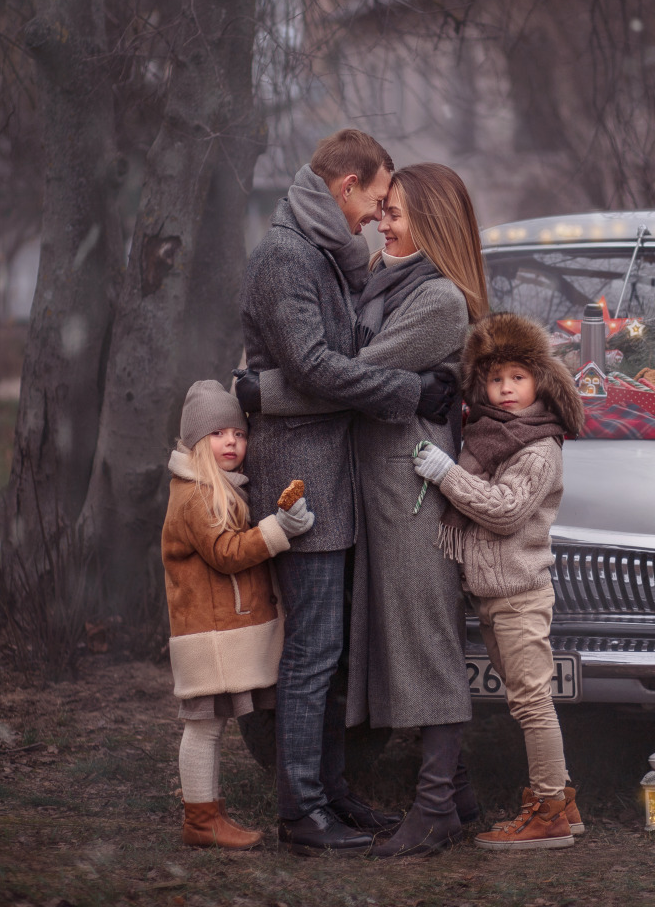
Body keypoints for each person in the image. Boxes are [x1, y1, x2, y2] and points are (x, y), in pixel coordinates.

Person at [251, 163, 488, 857]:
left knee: (425, 644)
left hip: (411, 492)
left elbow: (347, 383)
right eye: (381, 210)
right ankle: (461, 793)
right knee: (399, 645)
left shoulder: (438, 300)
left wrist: (260, 393)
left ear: (434, 224)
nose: (381, 224)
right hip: (377, 491)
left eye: (397, 214)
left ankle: (436, 809)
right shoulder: (385, 283)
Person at [411, 312, 589, 851]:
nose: (506, 389)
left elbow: (506, 511)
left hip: (519, 595)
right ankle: (563, 800)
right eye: (495, 378)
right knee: (523, 699)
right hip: (493, 595)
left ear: (541, 380)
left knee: (533, 702)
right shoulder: (489, 435)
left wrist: (444, 473)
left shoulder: (538, 447)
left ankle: (549, 810)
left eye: (518, 376)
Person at [160, 379, 312, 850]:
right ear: (196, 442)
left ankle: (208, 812)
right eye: (220, 434)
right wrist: (278, 530)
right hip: (206, 633)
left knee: (210, 726)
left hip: (218, 630)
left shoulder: (218, 487)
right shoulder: (196, 496)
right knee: (203, 727)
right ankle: (201, 820)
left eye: (239, 433)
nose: (232, 442)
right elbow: (226, 553)